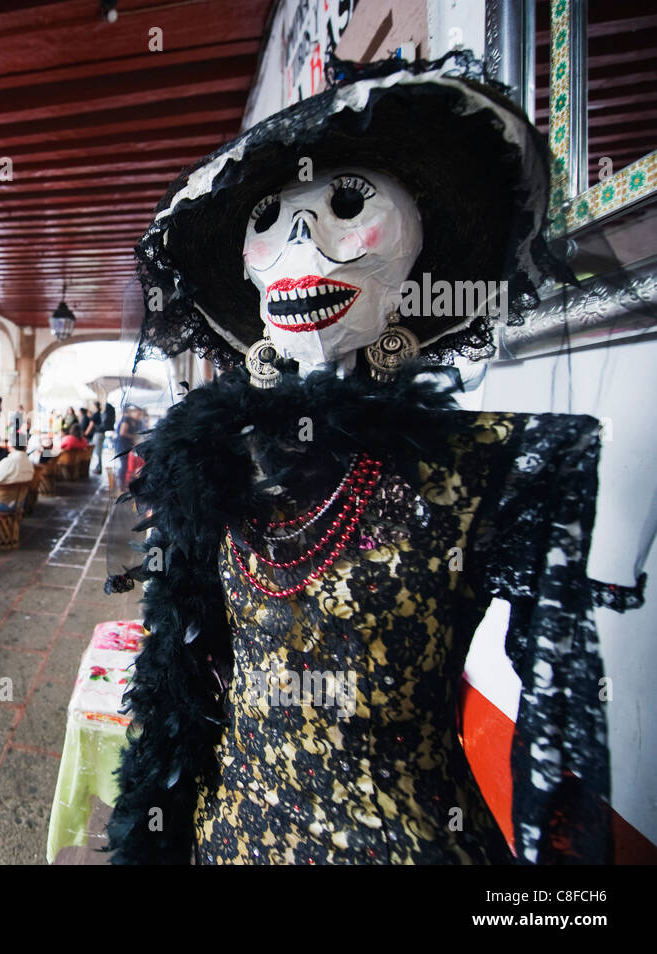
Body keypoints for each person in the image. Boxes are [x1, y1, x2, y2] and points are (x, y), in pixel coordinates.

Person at [106, 52, 616, 866]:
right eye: (271, 219)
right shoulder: (213, 454)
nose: (304, 241)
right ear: (245, 262)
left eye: (348, 205)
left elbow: (559, 742)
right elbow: (179, 672)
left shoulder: (502, 465)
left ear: (416, 244)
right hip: (228, 840)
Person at [91, 400, 109, 475]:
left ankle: (98, 468)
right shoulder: (101, 414)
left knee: (97, 452)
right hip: (102, 434)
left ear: (95, 406)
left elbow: (91, 425)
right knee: (99, 452)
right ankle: (98, 467)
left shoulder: (95, 414)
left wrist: (85, 433)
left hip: (98, 434)